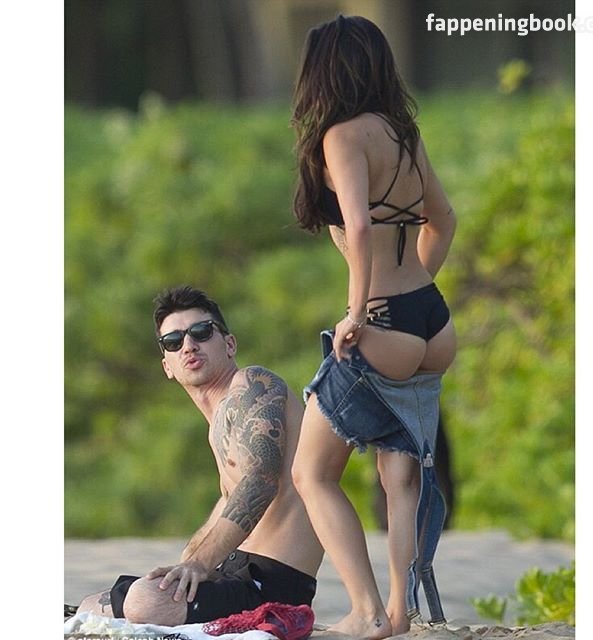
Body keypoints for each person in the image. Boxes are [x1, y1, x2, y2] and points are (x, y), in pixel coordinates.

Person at [289, 15, 457, 640]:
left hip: (381, 323)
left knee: (311, 473)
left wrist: (358, 312)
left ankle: (365, 613)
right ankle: (397, 612)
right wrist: (416, 292)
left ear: (324, 71)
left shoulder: (341, 135)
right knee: (400, 474)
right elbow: (444, 219)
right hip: (431, 320)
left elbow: (358, 227)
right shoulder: (403, 133)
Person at [74, 285, 323, 626]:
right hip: (231, 571)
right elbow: (229, 499)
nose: (188, 345)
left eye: (201, 332)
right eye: (173, 341)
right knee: (91, 605)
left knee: (145, 601)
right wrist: (186, 563)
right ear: (167, 366)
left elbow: (260, 481)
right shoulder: (217, 422)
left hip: (272, 581)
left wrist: (199, 564)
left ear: (230, 344)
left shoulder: (253, 385)